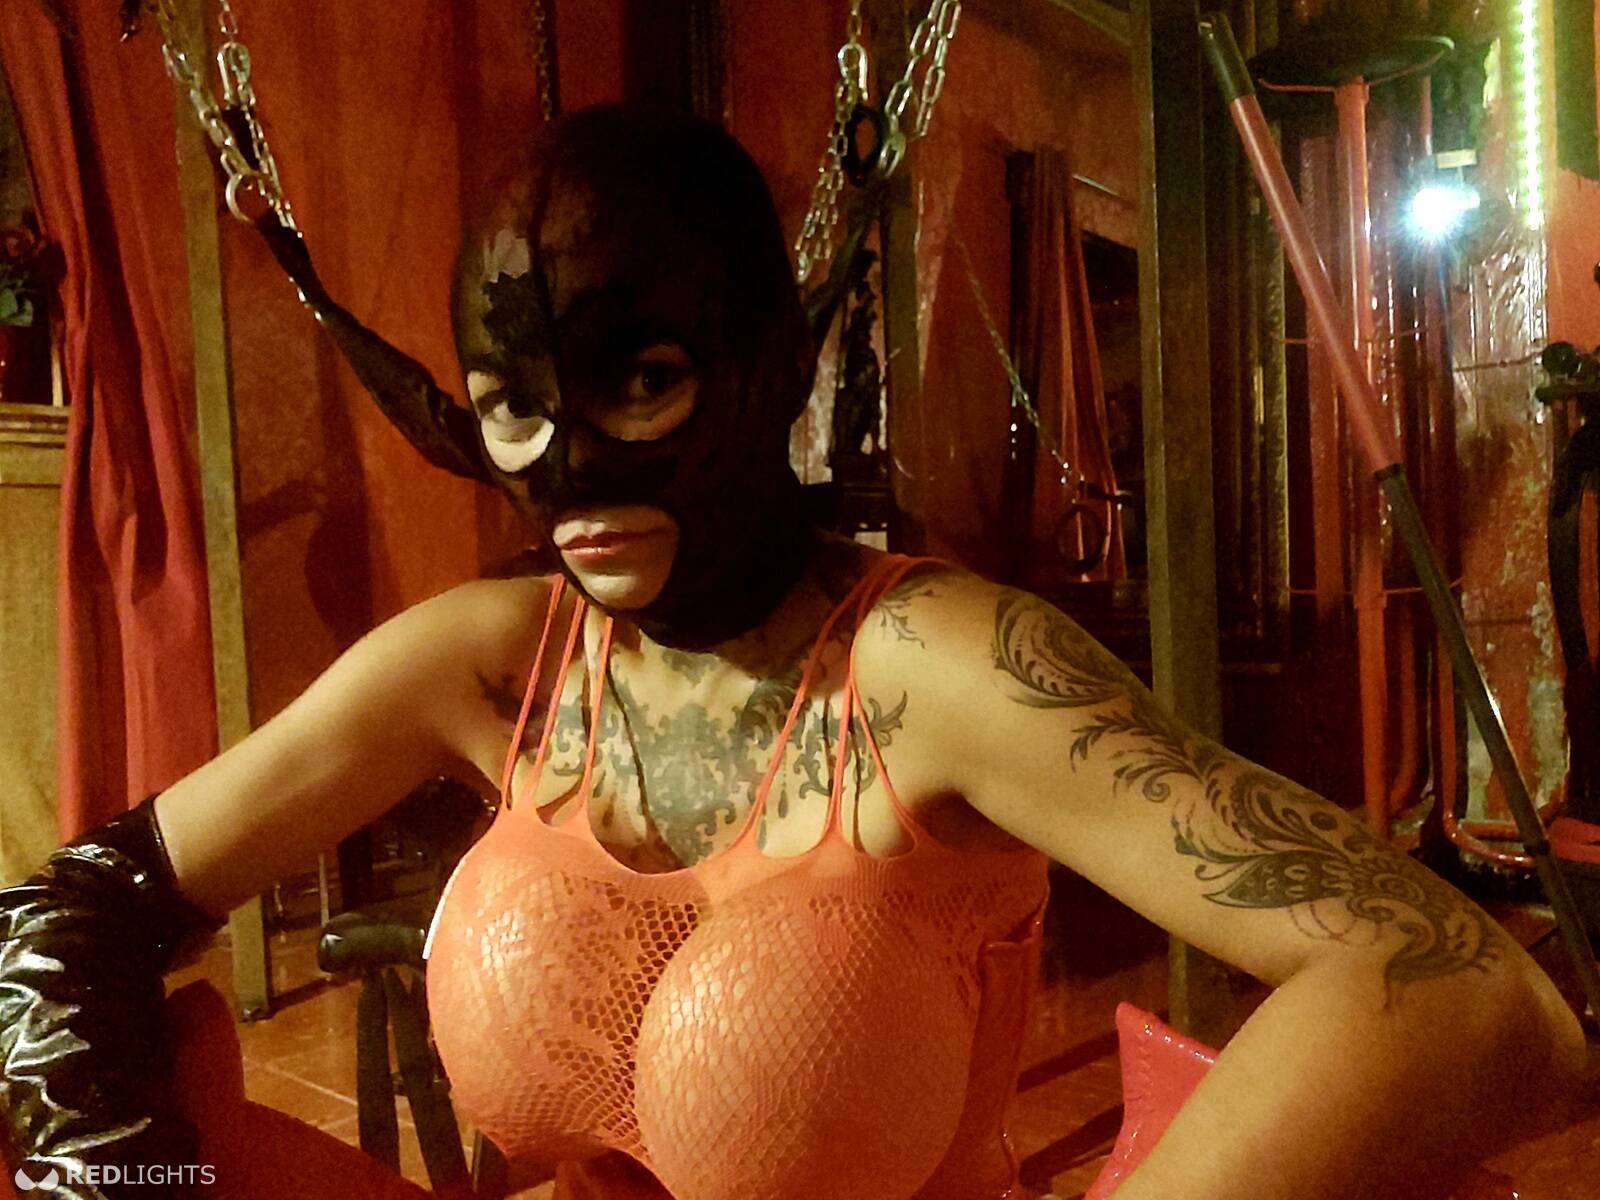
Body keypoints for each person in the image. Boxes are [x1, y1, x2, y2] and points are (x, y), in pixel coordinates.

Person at [0, 106, 1586, 1200]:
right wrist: (121, 1167)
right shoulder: (492, 659)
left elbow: (1468, 998)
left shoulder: (932, 666)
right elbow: (67, 913)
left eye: (643, 383)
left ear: (772, 367)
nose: (574, 471)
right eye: (517, 408)